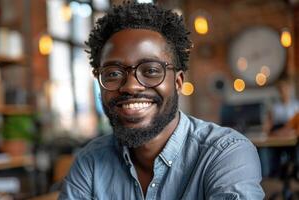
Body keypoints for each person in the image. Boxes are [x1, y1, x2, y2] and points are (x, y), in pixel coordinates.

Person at [59, 2, 264, 199]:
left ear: (177, 81)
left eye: (150, 71)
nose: (130, 86)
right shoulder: (90, 163)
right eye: (113, 73)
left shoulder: (225, 154)